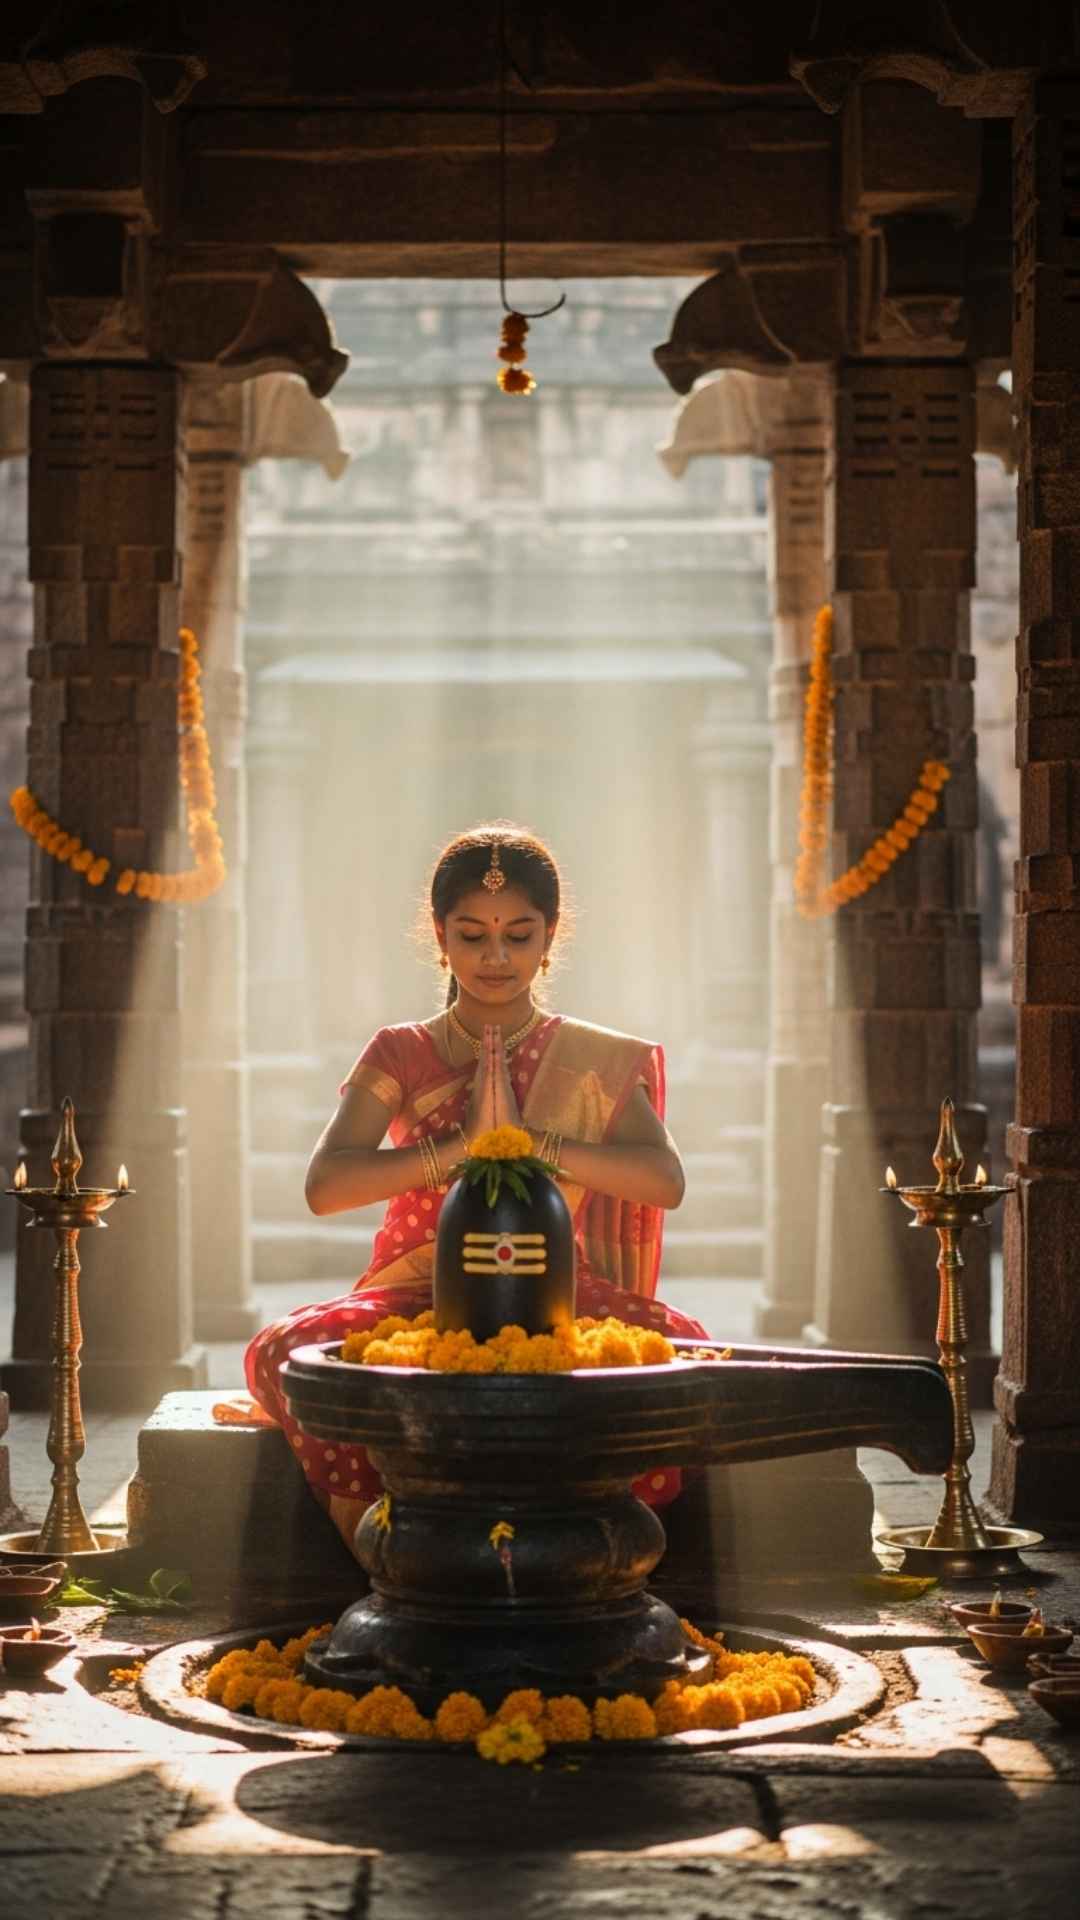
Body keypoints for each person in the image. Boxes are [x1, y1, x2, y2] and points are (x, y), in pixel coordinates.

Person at [243, 824, 707, 1551]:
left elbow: (665, 1181)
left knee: (680, 1350)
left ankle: (588, 1558)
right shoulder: (401, 1050)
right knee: (289, 1351)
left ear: (550, 937)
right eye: (473, 935)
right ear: (440, 935)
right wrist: (460, 1150)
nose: (496, 958)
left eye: (519, 936)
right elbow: (326, 1187)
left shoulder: (592, 1060)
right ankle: (393, 1558)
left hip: (555, 1293)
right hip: (414, 1295)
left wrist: (533, 1146)